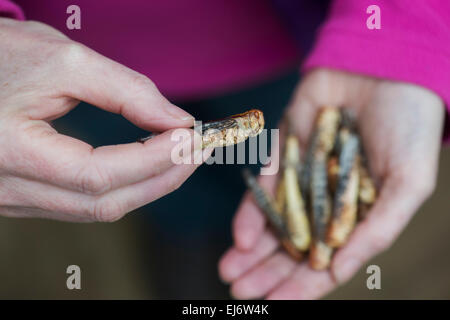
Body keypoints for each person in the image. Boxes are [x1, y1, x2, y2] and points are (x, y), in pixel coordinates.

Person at [0, 0, 448, 299]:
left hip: (297, 50)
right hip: (63, 68)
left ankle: (203, 234)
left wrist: (402, 30)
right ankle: (185, 233)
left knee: (258, 160)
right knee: (150, 181)